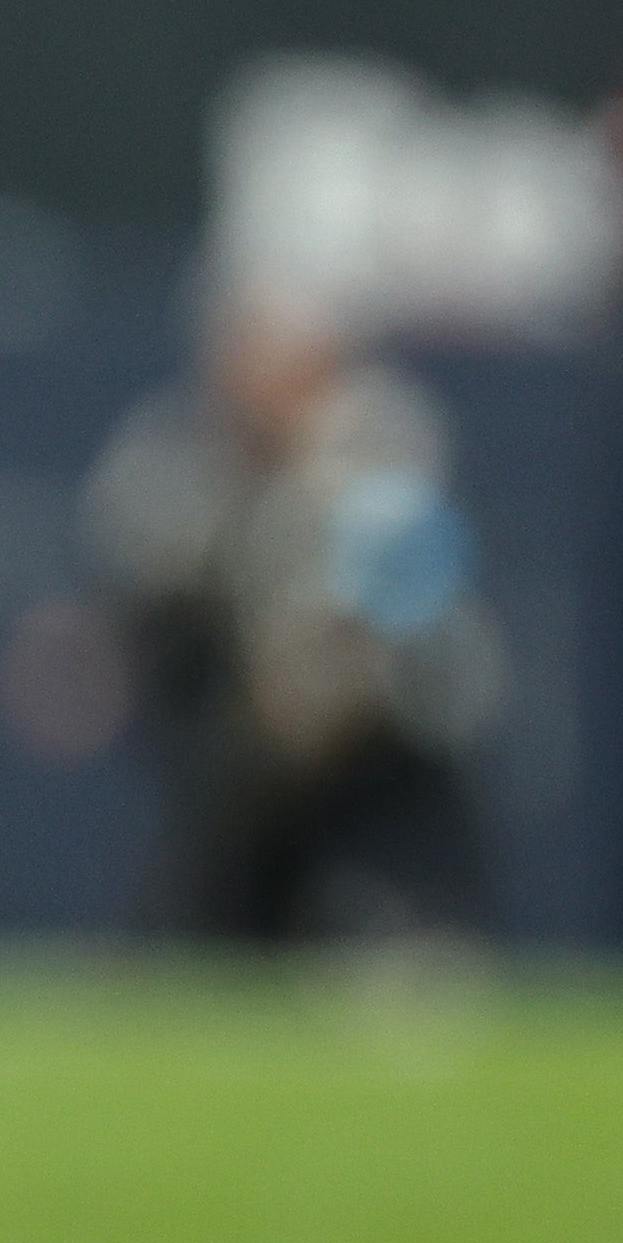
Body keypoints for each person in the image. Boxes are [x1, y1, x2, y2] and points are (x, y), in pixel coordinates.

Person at [83, 290, 497, 942]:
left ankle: (408, 924)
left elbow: (406, 604)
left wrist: (312, 691)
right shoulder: (188, 447)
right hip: (251, 734)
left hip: (383, 728)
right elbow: (148, 563)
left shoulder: (382, 444)